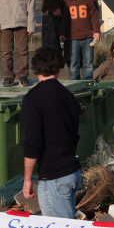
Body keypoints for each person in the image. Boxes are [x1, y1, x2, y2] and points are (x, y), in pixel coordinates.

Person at [21, 47, 82, 218]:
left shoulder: (33, 99)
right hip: (72, 172)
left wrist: (27, 180)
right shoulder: (68, 96)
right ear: (59, 67)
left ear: (36, 68)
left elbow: (32, 144)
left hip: (53, 177)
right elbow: (75, 134)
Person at [64, 0, 101, 80]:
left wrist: (97, 31)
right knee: (74, 62)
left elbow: (94, 17)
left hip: (88, 37)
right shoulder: (67, 3)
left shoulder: (88, 1)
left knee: (88, 62)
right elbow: (64, 20)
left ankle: (88, 82)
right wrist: (63, 34)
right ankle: (74, 82)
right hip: (73, 38)